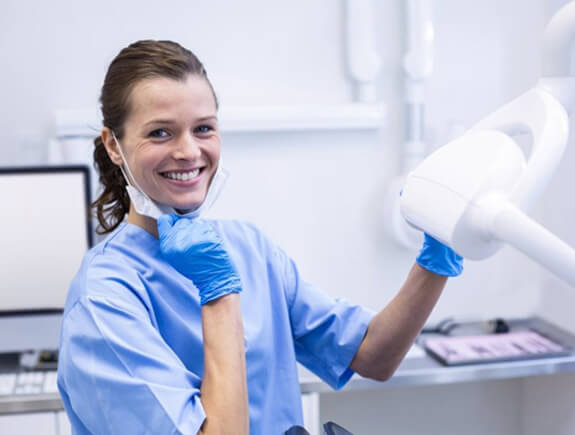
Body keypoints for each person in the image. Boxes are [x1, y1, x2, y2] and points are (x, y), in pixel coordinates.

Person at [57, 40, 463, 435]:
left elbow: (374, 355)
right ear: (114, 145)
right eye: (161, 133)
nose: (188, 151)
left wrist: (436, 255)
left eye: (203, 129)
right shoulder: (104, 298)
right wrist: (219, 291)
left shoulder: (249, 248)